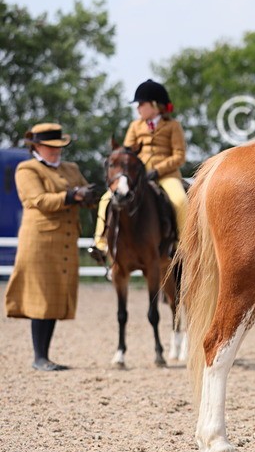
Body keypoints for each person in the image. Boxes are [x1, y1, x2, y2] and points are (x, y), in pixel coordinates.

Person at [5, 123, 100, 370]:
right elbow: (36, 200)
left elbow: (84, 190)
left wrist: (90, 197)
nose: (56, 152)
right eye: (51, 147)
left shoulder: (71, 168)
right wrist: (71, 196)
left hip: (65, 242)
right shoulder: (27, 169)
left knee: (55, 297)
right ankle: (39, 357)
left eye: (59, 147)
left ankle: (45, 356)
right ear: (37, 146)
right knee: (41, 298)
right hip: (40, 242)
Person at [91, 79, 188, 261]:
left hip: (166, 176)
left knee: (180, 200)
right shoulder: (135, 126)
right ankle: (100, 244)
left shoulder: (173, 126)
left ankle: (183, 245)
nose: (138, 109)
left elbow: (179, 156)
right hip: (137, 177)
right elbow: (126, 153)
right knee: (106, 198)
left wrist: (158, 170)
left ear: (154, 105)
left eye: (141, 104)